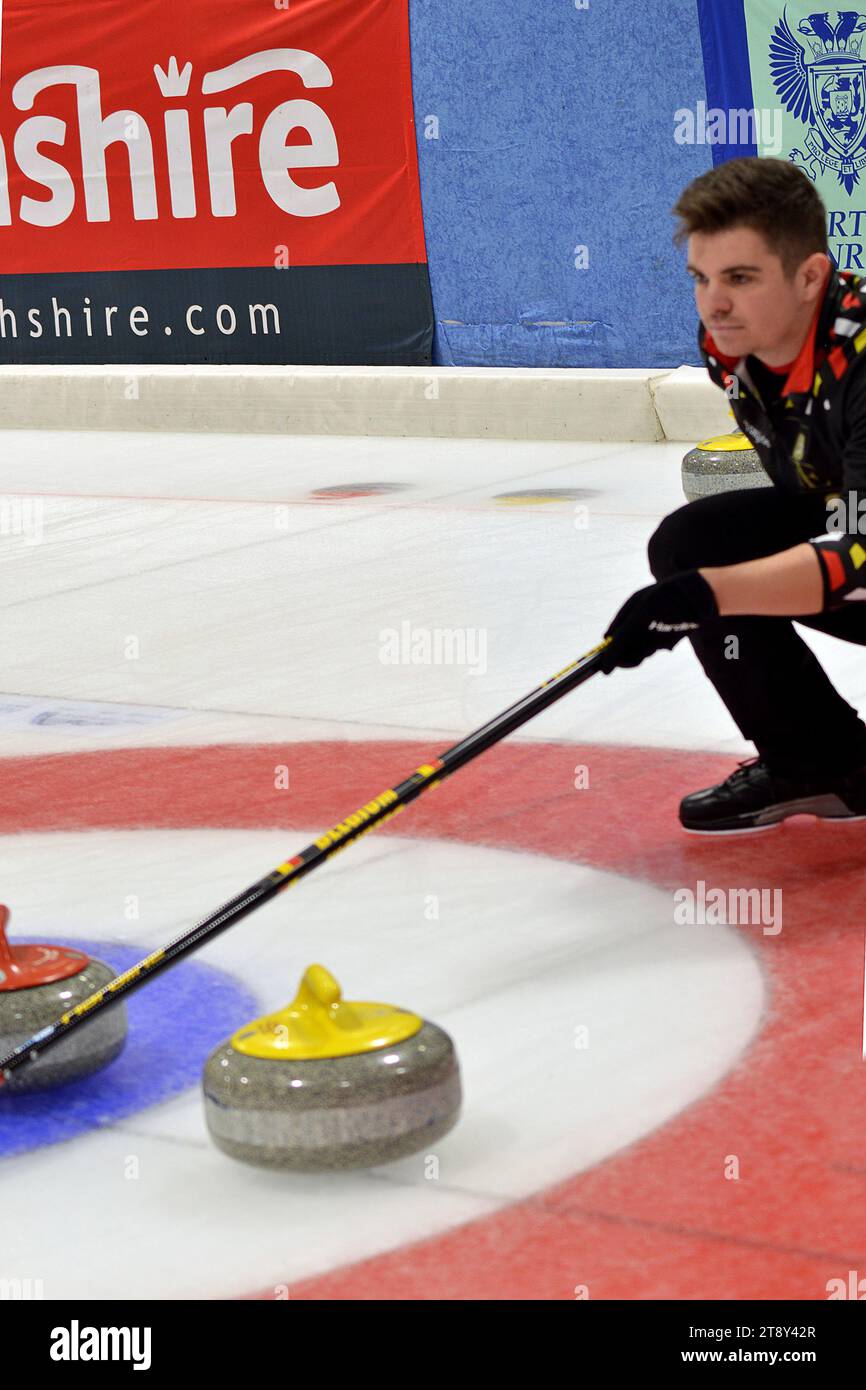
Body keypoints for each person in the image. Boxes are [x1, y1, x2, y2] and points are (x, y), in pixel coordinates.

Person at [599, 156, 866, 833]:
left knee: (710, 574)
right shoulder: (732, 347)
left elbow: (863, 551)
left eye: (740, 278)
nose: (714, 303)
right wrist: (700, 581)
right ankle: (820, 763)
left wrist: (706, 596)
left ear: (811, 276)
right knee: (694, 543)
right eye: (701, 278)